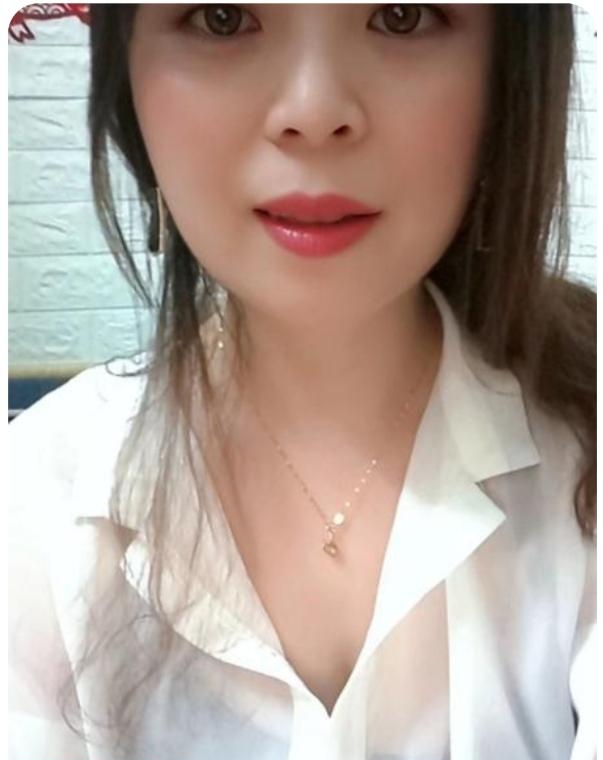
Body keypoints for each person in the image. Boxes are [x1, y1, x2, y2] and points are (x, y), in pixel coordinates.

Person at [8, 4, 596, 759]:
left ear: (508, 74)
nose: (314, 113)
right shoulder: (33, 500)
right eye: (222, 18)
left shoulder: (582, 455)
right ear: (128, 85)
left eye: (401, 15)